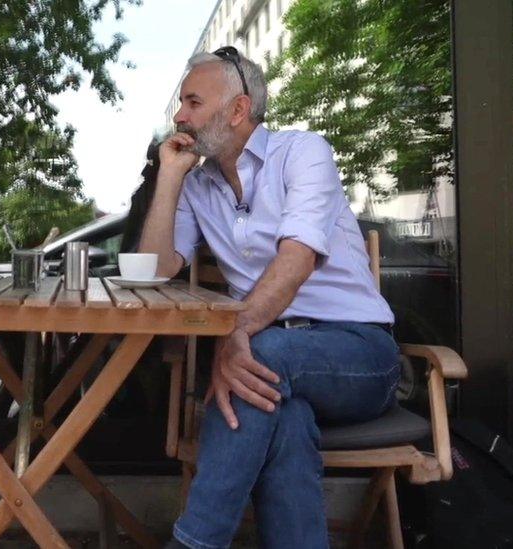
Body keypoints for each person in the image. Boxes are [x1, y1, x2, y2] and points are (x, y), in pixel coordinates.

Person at [139, 47, 399, 549]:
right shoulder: (198, 185)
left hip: (359, 354)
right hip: (271, 364)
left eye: (192, 101)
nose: (179, 115)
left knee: (261, 359)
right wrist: (170, 177)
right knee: (286, 415)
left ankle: (194, 542)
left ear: (238, 110)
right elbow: (154, 272)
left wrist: (236, 335)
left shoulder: (303, 152)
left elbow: (297, 259)